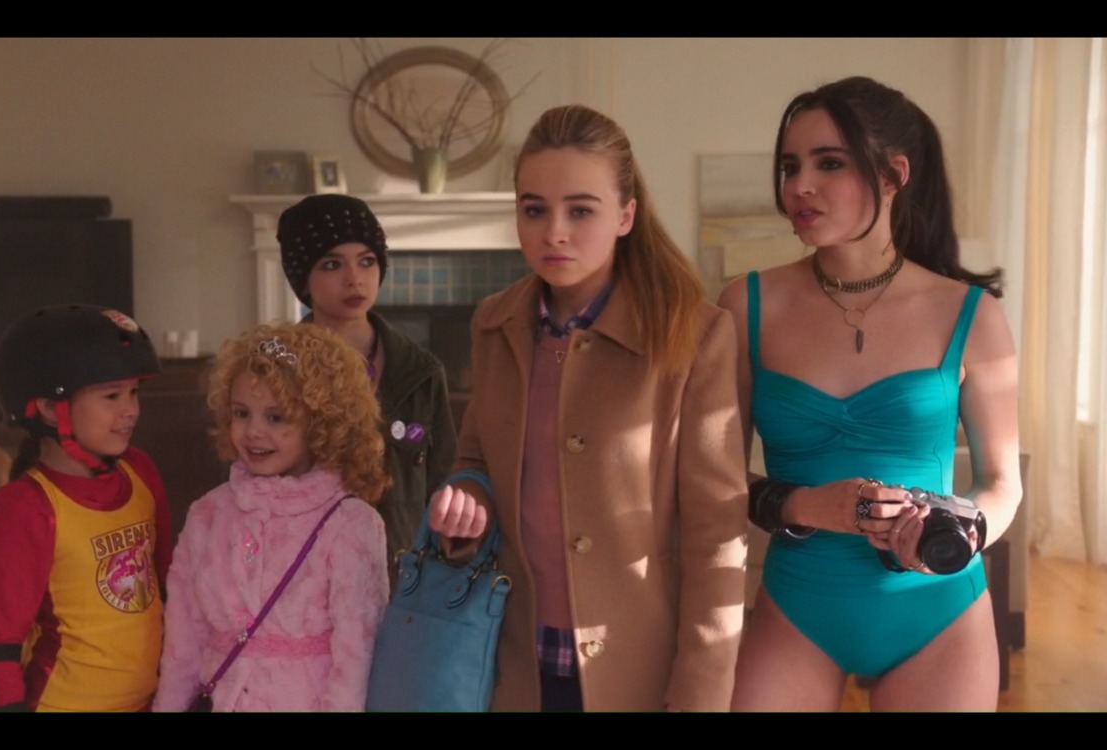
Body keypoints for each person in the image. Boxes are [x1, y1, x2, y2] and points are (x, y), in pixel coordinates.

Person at [428, 104, 750, 712]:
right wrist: (466, 497)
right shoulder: (493, 324)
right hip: (510, 664)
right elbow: (475, 459)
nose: (554, 232)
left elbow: (717, 536)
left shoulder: (696, 335)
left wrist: (700, 695)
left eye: (580, 210)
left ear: (626, 215)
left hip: (638, 672)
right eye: (534, 210)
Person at [718, 77, 1022, 711]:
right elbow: (709, 476)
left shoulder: (970, 314)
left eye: (829, 163)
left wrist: (960, 534)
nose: (800, 186)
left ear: (892, 175)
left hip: (938, 612)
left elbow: (1002, 484)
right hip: (798, 609)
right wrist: (804, 504)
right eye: (790, 167)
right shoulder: (747, 305)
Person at [0, 304, 170, 712]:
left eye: (134, 392)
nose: (131, 409)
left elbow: (168, 583)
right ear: (50, 408)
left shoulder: (139, 471)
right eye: (112, 395)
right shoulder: (27, 508)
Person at [153, 322, 389, 712]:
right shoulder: (207, 515)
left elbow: (357, 659)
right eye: (241, 413)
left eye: (276, 417)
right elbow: (183, 645)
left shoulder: (351, 525)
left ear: (321, 423)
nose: (253, 432)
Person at [277, 194, 457, 585]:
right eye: (331, 264)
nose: (354, 279)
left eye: (367, 261)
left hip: (403, 583)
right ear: (302, 278)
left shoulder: (422, 372)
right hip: (306, 583)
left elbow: (445, 481)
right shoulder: (275, 369)